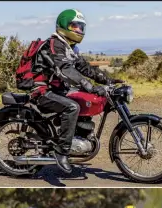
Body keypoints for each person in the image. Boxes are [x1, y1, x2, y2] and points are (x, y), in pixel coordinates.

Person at [27, 9, 116, 173]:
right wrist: (90, 86)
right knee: (72, 107)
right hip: (41, 90)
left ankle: (77, 136)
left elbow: (84, 68)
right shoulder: (54, 45)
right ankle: (61, 152)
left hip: (57, 89)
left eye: (81, 27)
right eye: (75, 26)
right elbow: (65, 70)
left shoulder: (69, 47)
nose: (79, 30)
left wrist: (107, 80)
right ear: (63, 25)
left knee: (84, 100)